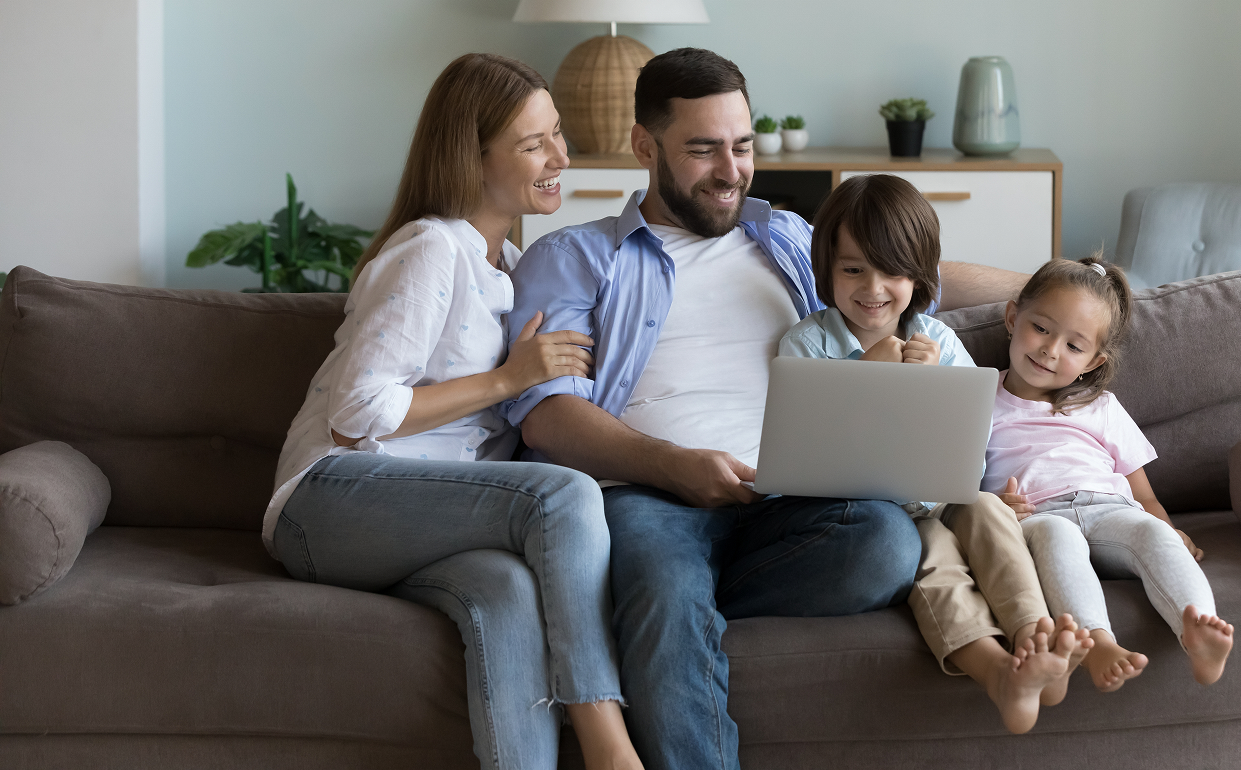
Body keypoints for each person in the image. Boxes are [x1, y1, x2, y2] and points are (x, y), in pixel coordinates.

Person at [505, 47, 1034, 768]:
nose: (731, 170)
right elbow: (544, 413)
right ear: (643, 146)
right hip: (652, 496)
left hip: (792, 498)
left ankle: (675, 602)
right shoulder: (575, 256)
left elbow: (897, 271)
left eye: (742, 145)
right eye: (703, 149)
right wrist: (672, 465)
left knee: (886, 540)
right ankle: (668, 607)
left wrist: (1052, 282)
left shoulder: (782, 236)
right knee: (664, 589)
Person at [263, 53, 643, 770]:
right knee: (564, 498)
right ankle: (609, 749)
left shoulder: (504, 269)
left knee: (505, 591)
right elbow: (356, 414)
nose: (560, 155)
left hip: (415, 523)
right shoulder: (432, 250)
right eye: (535, 143)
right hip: (331, 500)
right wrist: (508, 379)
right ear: (473, 157)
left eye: (557, 133)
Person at [776, 173, 1091, 733]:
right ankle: (998, 672)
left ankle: (1035, 640)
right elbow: (802, 459)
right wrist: (864, 377)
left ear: (920, 277)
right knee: (937, 564)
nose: (873, 288)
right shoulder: (807, 343)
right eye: (853, 269)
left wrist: (927, 385)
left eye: (893, 271)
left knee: (990, 515)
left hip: (946, 496)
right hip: (882, 513)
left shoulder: (940, 343)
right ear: (826, 271)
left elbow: (972, 439)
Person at [987, 255, 1235, 692]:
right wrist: (994, 506)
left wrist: (1169, 528)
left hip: (1109, 509)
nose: (1050, 349)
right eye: (1041, 328)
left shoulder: (1100, 406)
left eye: (1074, 346)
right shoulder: (978, 398)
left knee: (1153, 535)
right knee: (1057, 539)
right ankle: (1097, 643)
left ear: (1093, 362)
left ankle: (1197, 629)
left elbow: (1145, 495)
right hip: (1039, 518)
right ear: (1012, 317)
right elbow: (954, 485)